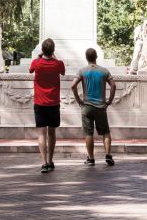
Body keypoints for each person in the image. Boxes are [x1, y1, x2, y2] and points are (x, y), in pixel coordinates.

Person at [72, 48, 117, 166]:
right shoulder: (104, 71)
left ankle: (91, 159)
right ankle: (108, 155)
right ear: (96, 56)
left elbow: (73, 86)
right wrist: (109, 101)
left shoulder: (82, 71)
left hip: (86, 106)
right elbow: (113, 86)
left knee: (89, 133)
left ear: (86, 58)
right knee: (105, 132)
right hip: (101, 106)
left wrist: (79, 100)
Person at [29, 38, 66, 173]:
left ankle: (43, 162)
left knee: (41, 133)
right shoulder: (58, 64)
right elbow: (62, 71)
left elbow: (30, 70)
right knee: (52, 133)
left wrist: (40, 57)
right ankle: (50, 160)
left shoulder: (37, 63)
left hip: (39, 103)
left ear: (42, 50)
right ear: (53, 50)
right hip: (53, 103)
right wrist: (54, 57)